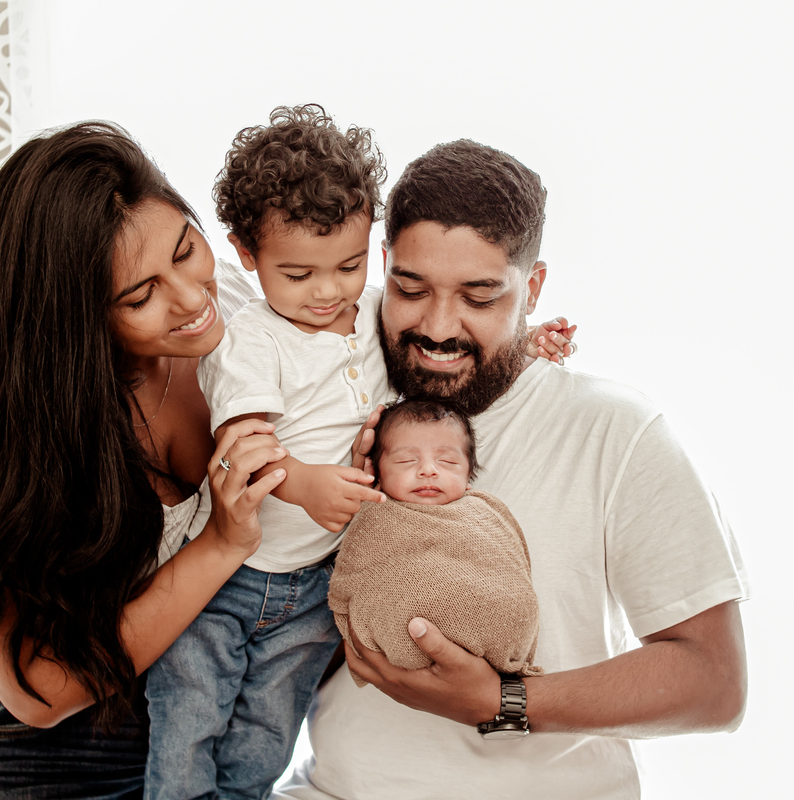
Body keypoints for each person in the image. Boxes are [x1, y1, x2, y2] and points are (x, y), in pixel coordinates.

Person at [275, 140, 749, 799]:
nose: (438, 327)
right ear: (383, 267)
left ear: (533, 287)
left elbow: (715, 684)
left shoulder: (615, 431)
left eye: (480, 296)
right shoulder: (336, 395)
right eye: (411, 288)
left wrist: (505, 700)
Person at [145, 106, 574, 800]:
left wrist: (526, 339)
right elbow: (244, 444)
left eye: (346, 266)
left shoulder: (379, 311)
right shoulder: (254, 338)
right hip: (229, 581)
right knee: (190, 718)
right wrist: (306, 483)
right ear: (246, 254)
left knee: (265, 731)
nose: (325, 292)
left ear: (372, 241)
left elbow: (443, 341)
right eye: (297, 273)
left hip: (313, 586)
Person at [0, 121, 290, 798]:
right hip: (28, 748)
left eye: (187, 251)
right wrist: (220, 542)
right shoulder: (6, 434)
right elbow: (40, 689)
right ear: (73, 317)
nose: (193, 299)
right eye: (140, 296)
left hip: (184, 708)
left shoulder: (244, 328)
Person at [327, 397, 543, 685]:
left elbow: (507, 567)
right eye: (406, 461)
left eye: (448, 461)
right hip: (408, 633)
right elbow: (356, 576)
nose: (428, 470)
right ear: (376, 473)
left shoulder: (483, 513)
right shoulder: (377, 517)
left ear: (468, 476)